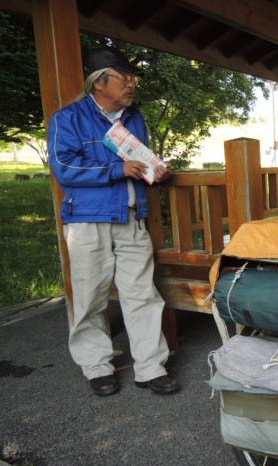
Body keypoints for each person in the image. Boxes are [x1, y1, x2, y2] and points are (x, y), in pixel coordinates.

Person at [48, 46, 179, 396]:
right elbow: (64, 168)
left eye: (133, 77)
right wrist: (115, 169)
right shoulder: (68, 119)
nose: (132, 84)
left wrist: (156, 170)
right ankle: (97, 367)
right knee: (90, 297)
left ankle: (150, 367)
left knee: (142, 295)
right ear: (99, 82)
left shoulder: (134, 118)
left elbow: (140, 162)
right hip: (88, 220)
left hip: (131, 216)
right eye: (125, 77)